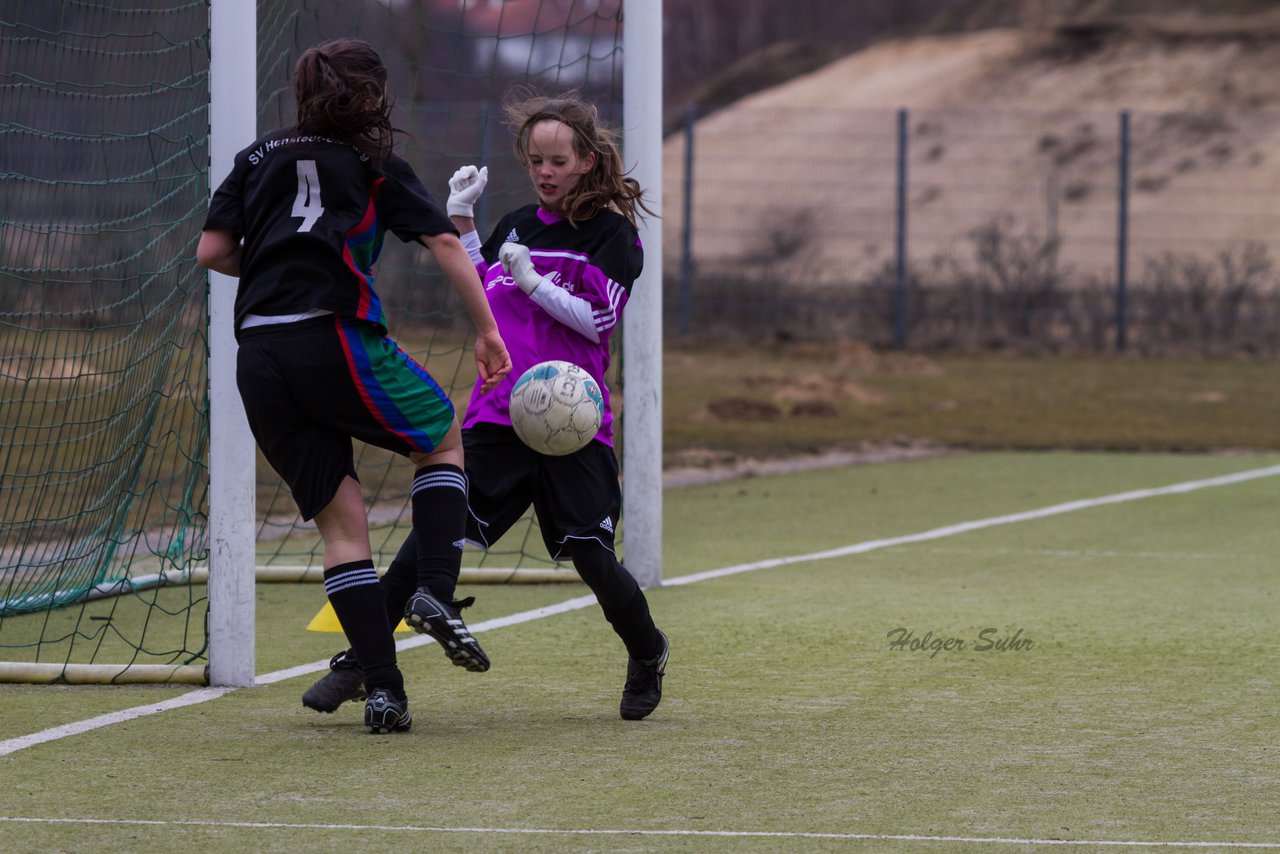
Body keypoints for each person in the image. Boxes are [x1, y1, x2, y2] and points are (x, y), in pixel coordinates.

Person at [304, 89, 670, 721]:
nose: (545, 172)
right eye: (535, 161)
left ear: (587, 160)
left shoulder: (615, 235)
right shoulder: (517, 224)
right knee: (429, 542)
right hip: (499, 413)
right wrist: (466, 225)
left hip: (571, 424)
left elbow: (599, 319)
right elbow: (491, 296)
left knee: (591, 555)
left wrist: (533, 279)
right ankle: (362, 664)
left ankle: (647, 649)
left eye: (558, 160)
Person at [197, 39, 511, 734]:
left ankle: (386, 694)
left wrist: (274, 263)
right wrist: (488, 332)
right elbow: (447, 245)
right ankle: (434, 592)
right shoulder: (372, 164)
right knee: (441, 438)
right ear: (369, 96)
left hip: (260, 357)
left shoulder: (254, 157)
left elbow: (212, 251)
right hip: (335, 338)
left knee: (342, 528)